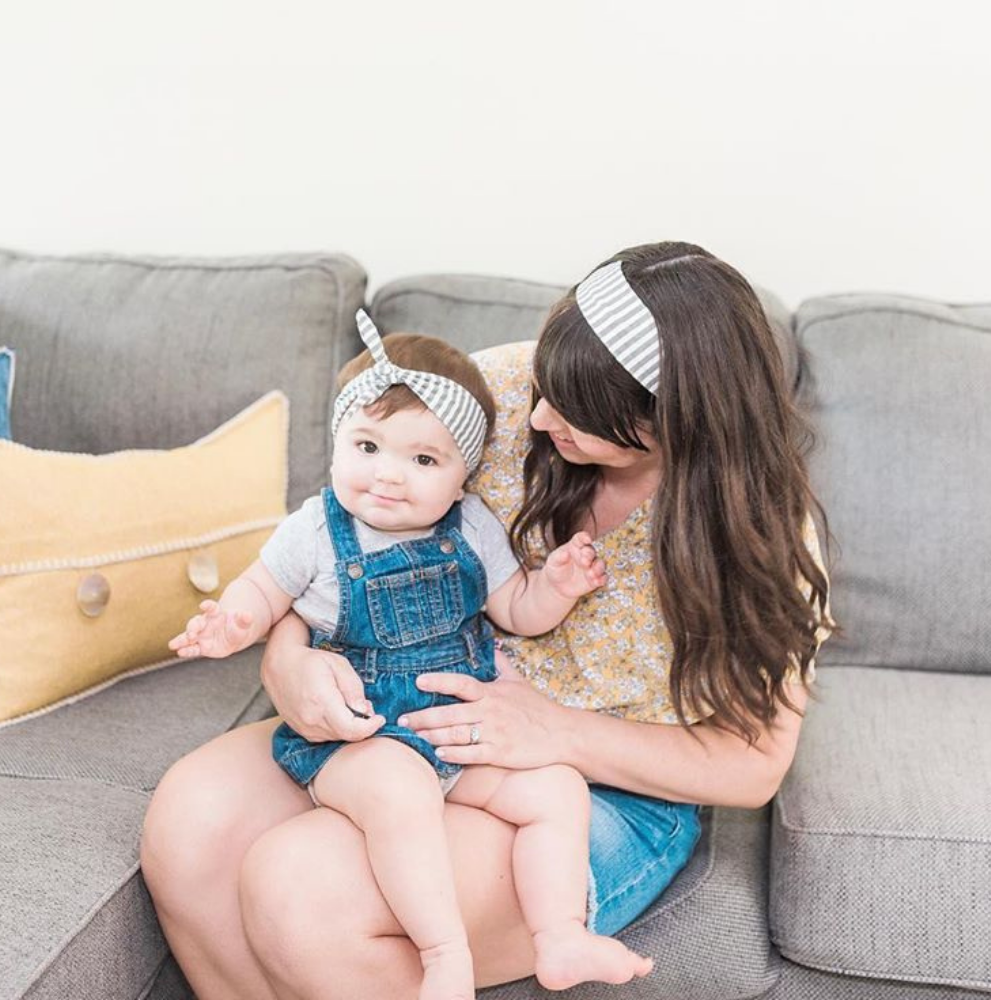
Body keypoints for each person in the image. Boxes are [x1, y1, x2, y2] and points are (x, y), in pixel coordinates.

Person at [141, 241, 835, 1000]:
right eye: (546, 385)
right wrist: (289, 660)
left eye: (576, 416)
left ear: (671, 423)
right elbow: (328, 539)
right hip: (406, 707)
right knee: (190, 824)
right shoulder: (493, 394)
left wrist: (554, 732)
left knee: (300, 893)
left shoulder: (760, 533)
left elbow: (754, 765)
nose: (537, 416)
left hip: (595, 787)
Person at [166, 313, 652, 999]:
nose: (388, 476)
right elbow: (263, 592)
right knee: (401, 794)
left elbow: (516, 609)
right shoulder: (314, 530)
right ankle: (443, 951)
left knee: (556, 790)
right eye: (367, 446)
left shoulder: (473, 526)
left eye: (423, 461)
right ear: (335, 444)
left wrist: (559, 586)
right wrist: (234, 624)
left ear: (462, 479)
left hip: (462, 735)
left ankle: (561, 935)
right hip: (361, 738)